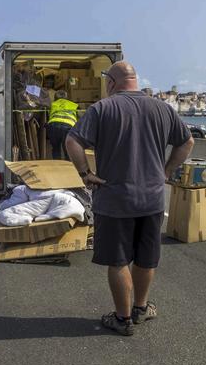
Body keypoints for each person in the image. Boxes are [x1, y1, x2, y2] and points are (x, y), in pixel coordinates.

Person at [65, 61, 194, 336]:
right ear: (135, 80)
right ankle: (141, 308)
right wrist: (166, 171)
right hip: (152, 200)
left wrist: (85, 173)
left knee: (119, 260)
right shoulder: (162, 108)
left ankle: (122, 319)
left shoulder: (102, 109)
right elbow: (187, 142)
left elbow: (72, 141)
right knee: (146, 257)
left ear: (111, 82)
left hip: (115, 200)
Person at [46, 90, 79, 159]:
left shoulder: (52, 104)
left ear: (55, 98)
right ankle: (68, 166)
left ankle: (57, 165)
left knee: (56, 149)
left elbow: (47, 117)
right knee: (67, 149)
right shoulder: (73, 105)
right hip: (68, 127)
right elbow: (79, 119)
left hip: (53, 126)